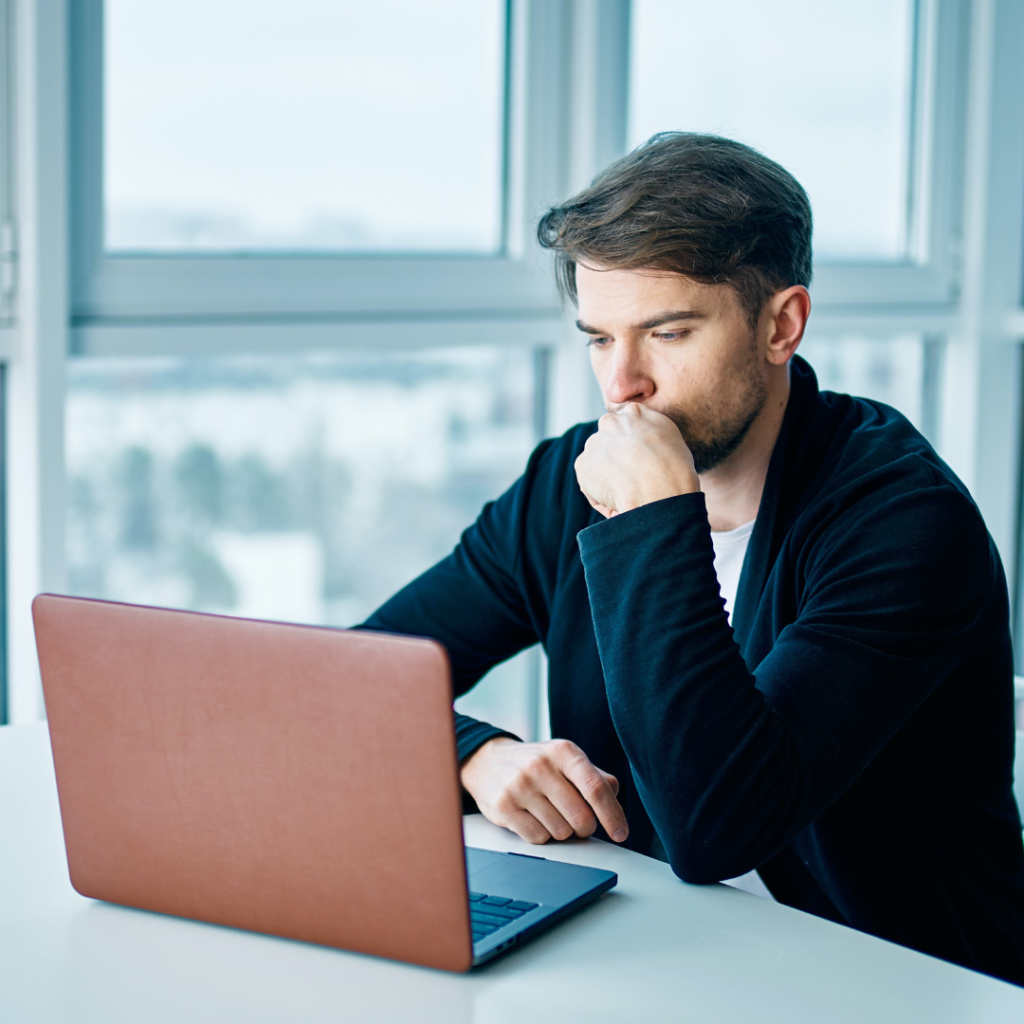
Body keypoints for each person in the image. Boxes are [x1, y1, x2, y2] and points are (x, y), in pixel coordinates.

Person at [363, 133, 1024, 985]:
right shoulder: (565, 485)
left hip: (904, 985)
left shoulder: (903, 521)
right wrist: (471, 756)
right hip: (660, 960)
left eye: (667, 333)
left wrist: (654, 521)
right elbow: (362, 676)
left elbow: (717, 823)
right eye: (599, 338)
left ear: (781, 324)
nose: (620, 385)